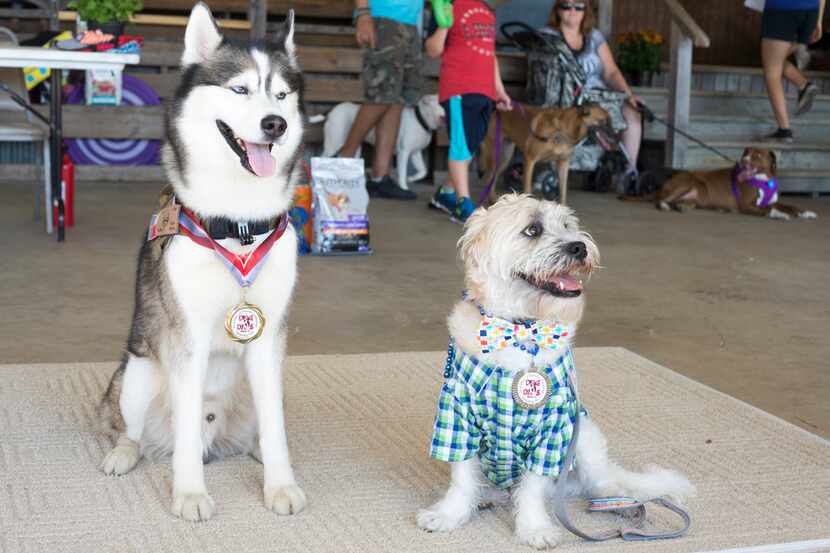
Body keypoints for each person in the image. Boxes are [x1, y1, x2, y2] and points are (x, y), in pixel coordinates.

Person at [425, 0, 512, 224]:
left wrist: (499, 90)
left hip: (485, 91)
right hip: (459, 89)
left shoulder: (487, 11)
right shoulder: (447, 6)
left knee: (472, 143)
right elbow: (432, 49)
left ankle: (445, 193)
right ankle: (463, 204)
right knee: (461, 145)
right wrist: (444, 24)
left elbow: (489, 54)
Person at [541, 0, 643, 170]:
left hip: (599, 95)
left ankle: (629, 171)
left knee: (632, 112)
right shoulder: (545, 36)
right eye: (566, 6)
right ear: (557, 10)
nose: (572, 10)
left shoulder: (594, 36)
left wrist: (628, 95)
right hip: (564, 97)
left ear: (585, 10)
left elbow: (611, 72)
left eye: (578, 6)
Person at [340, 0, 423, 200]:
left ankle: (380, 177)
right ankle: (343, 159)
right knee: (380, 96)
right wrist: (363, 13)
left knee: (397, 100)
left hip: (411, 22)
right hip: (383, 18)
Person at [760, 0, 824, 143]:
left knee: (772, 71)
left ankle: (784, 129)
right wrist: (819, 20)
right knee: (773, 59)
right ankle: (803, 84)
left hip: (782, 9)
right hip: (811, 12)